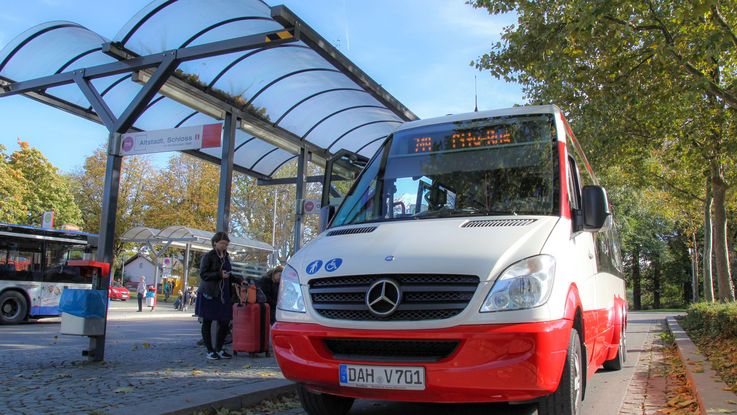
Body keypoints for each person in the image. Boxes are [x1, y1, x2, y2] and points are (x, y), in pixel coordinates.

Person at [196, 232, 242, 360]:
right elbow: (204, 274)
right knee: (207, 321)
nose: (224, 246)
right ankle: (210, 350)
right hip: (210, 292)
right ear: (215, 242)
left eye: (226, 244)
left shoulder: (226, 257)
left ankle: (219, 348)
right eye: (222, 243)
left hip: (223, 294)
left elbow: (228, 273)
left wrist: (238, 280)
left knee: (225, 321)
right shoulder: (208, 256)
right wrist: (218, 275)